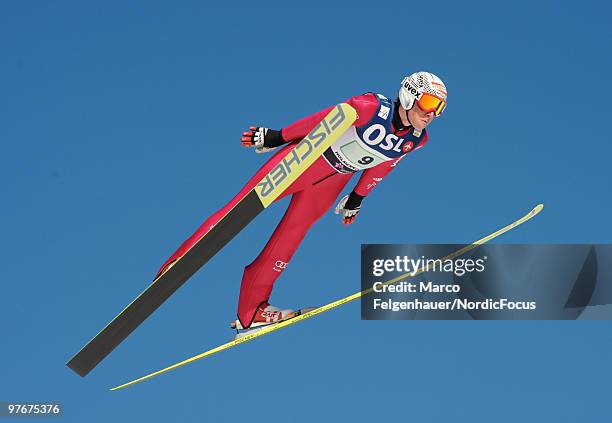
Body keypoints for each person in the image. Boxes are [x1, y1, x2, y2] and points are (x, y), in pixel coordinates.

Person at [155, 71, 448, 338]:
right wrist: (277, 136)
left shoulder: (416, 139)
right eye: (429, 103)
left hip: (332, 182)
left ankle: (252, 313)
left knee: (289, 239)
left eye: (439, 108)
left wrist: (358, 197)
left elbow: (385, 164)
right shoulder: (369, 107)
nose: (432, 113)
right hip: (304, 161)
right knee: (240, 209)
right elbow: (324, 121)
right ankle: (180, 262)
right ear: (409, 95)